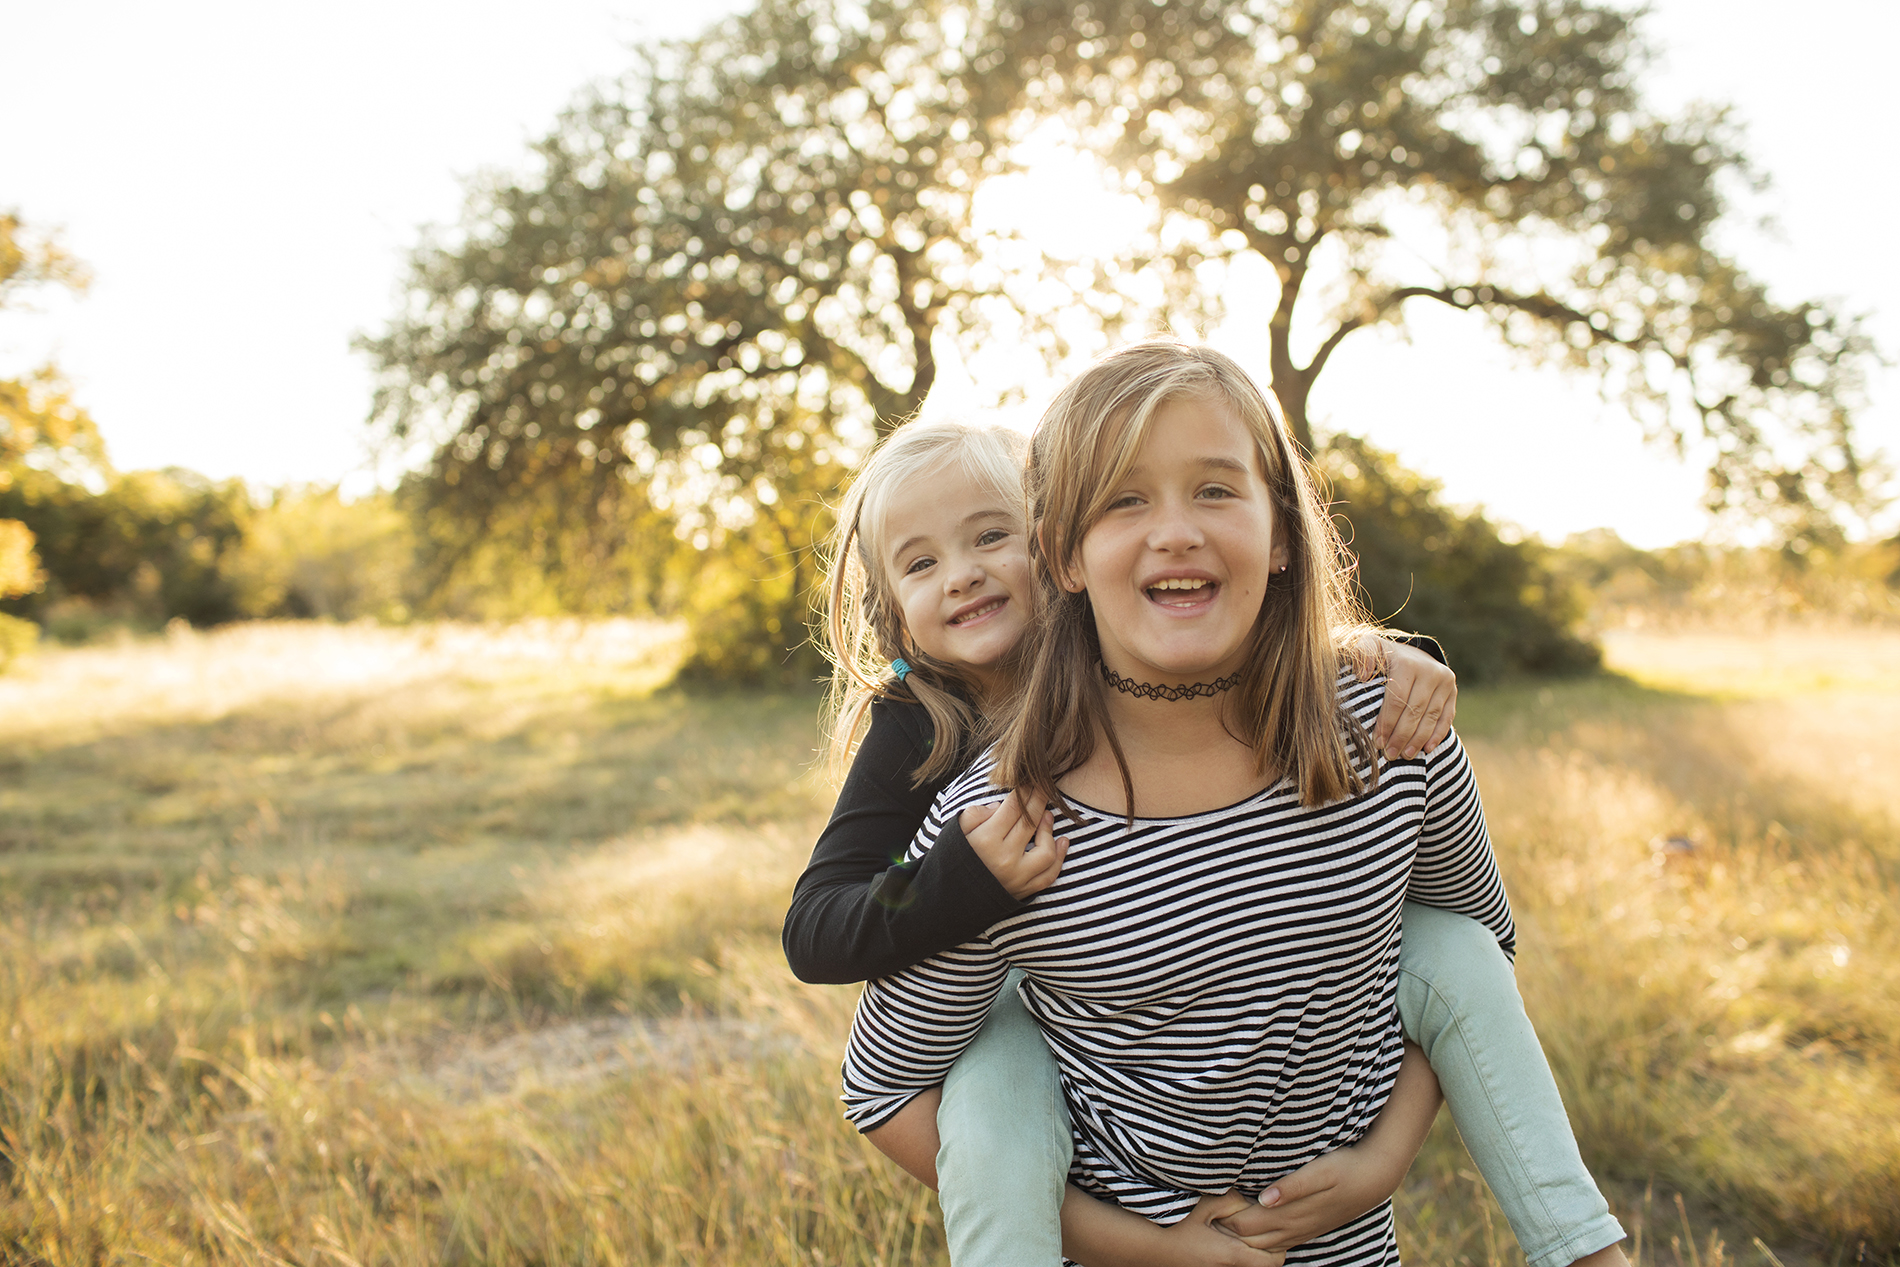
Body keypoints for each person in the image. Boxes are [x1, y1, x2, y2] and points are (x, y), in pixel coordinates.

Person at [792, 355, 1625, 1266]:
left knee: (1450, 945)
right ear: (1070, 549)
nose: (962, 576)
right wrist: (956, 880)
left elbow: (1470, 944)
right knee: (994, 1107)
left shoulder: (1375, 731)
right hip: (1019, 1002)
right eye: (921, 562)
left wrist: (1370, 653)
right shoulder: (946, 759)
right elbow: (822, 937)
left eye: (990, 538)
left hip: (1284, 1140)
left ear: (1040, 552)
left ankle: (1585, 1247)